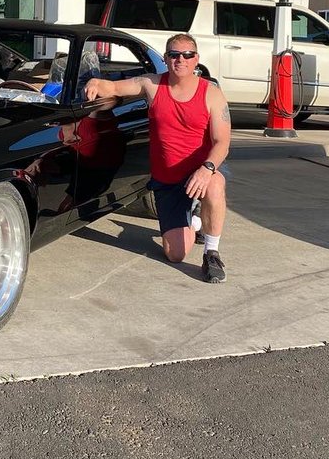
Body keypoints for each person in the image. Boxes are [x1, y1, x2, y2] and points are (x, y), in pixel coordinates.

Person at [84, 34, 232, 283]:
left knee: (216, 183)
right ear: (166, 59)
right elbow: (115, 87)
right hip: (168, 181)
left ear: (196, 59)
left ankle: (212, 253)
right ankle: (196, 220)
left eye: (187, 55)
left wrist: (207, 168)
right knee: (175, 254)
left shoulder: (211, 94)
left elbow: (222, 142)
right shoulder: (151, 85)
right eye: (174, 54)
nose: (180, 60)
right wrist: (96, 82)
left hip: (199, 173)